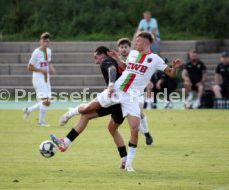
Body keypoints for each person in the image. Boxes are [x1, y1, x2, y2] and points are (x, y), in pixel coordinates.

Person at [53, 32, 182, 172]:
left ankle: (129, 164)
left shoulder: (155, 59)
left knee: (134, 129)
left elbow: (171, 73)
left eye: (138, 41)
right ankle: (70, 115)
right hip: (117, 90)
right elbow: (127, 68)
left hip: (132, 97)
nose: (135, 43)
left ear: (146, 42)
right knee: (87, 109)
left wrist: (174, 67)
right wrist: (117, 58)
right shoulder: (133, 54)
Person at [117, 37, 154, 143]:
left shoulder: (135, 57)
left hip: (135, 92)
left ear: (130, 48)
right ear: (119, 49)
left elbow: (142, 72)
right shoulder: (116, 60)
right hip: (121, 92)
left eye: (126, 47)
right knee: (129, 117)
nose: (124, 49)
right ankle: (143, 134)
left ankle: (147, 134)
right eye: (121, 47)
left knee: (139, 112)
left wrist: (147, 81)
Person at [23, 32, 56, 127]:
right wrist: (40, 70)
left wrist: (52, 68)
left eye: (48, 41)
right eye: (44, 41)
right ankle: (41, 122)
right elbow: (29, 67)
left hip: (46, 78)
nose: (46, 43)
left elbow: (48, 62)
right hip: (38, 78)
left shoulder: (49, 51)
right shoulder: (36, 53)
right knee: (46, 101)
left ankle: (27, 110)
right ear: (40, 41)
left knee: (47, 101)